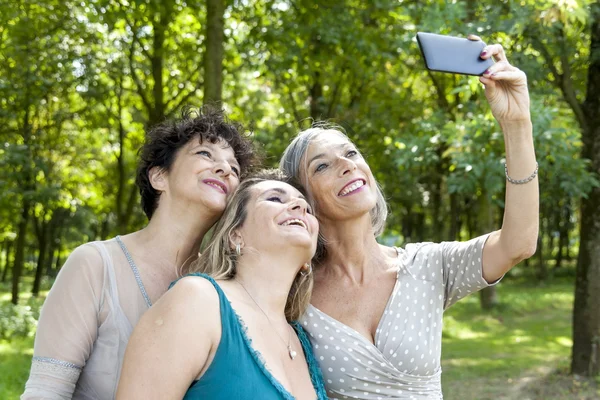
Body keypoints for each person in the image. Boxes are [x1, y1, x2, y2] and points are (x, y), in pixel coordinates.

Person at [279, 38, 538, 399]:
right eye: (322, 164)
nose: (346, 164)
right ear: (303, 198)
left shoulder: (428, 266)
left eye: (350, 152)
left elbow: (520, 242)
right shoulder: (289, 294)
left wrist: (517, 123)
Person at [22, 107, 256, 400]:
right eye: (205, 155)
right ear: (159, 177)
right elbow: (46, 393)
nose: (224, 170)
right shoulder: (95, 264)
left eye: (234, 169)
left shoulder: (228, 285)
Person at [116, 169, 328, 399]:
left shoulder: (303, 340)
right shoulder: (197, 300)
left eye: (306, 207)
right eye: (275, 199)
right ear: (235, 235)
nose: (301, 208)